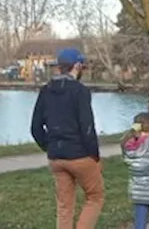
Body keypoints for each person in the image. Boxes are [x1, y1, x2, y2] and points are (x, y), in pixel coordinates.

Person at [31, 47, 103, 229]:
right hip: (79, 154)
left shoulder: (45, 91)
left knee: (64, 205)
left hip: (56, 156)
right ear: (77, 66)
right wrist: (94, 155)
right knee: (95, 196)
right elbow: (87, 127)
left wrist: (49, 146)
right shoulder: (80, 92)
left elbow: (35, 127)